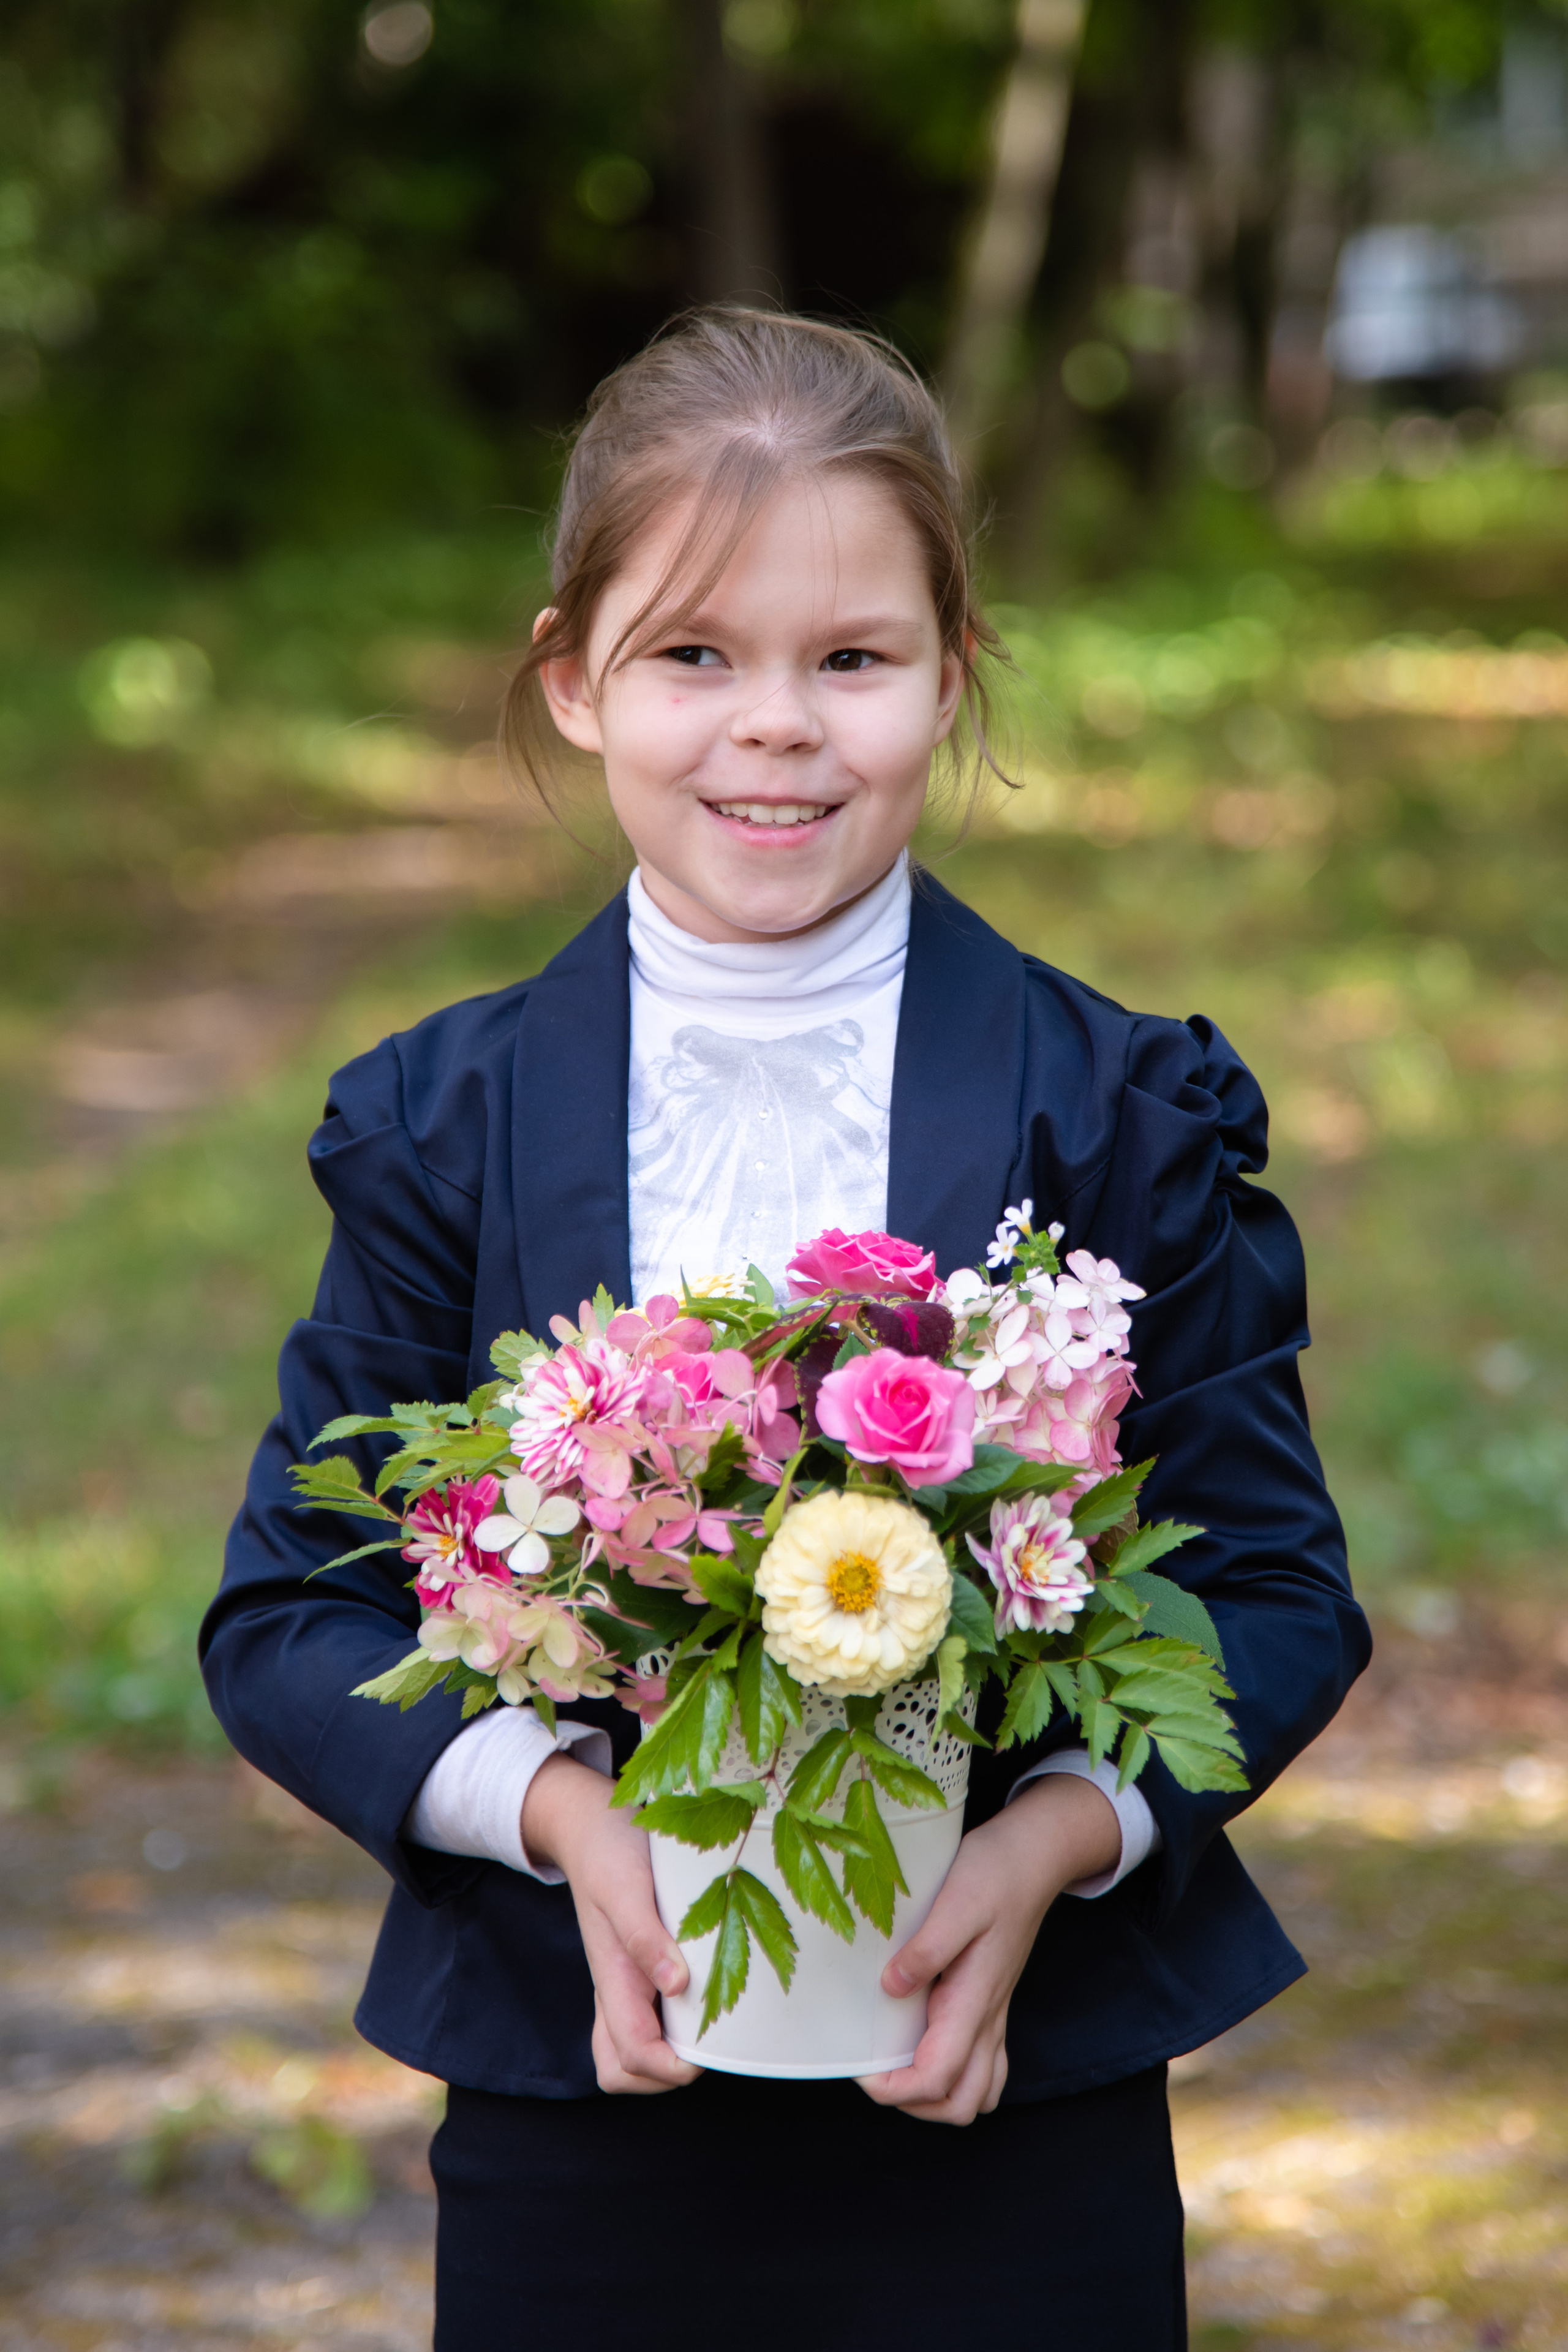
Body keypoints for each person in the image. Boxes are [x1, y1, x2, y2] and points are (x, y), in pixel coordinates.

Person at [201, 309, 1369, 2351]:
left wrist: (1054, 1850)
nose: (776, 727)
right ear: (574, 682)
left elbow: (1271, 1590)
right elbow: (291, 1616)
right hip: (583, 2088)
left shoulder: (1112, 1110)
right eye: (694, 656)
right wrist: (557, 1816)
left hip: (1015, 2098)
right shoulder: (445, 1127)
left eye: (852, 658)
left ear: (952, 674)